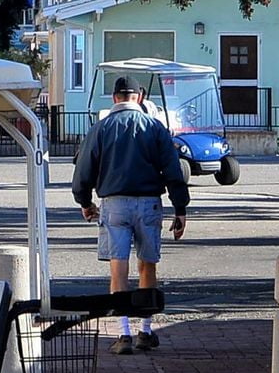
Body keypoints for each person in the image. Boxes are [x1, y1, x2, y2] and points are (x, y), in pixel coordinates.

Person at [71, 75, 190, 355]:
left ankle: (123, 333)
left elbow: (83, 170)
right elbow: (173, 170)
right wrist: (180, 208)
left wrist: (85, 202)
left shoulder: (100, 128)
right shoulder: (155, 127)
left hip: (114, 204)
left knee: (118, 266)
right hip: (149, 203)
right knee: (147, 265)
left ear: (115, 98)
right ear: (140, 97)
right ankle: (145, 330)